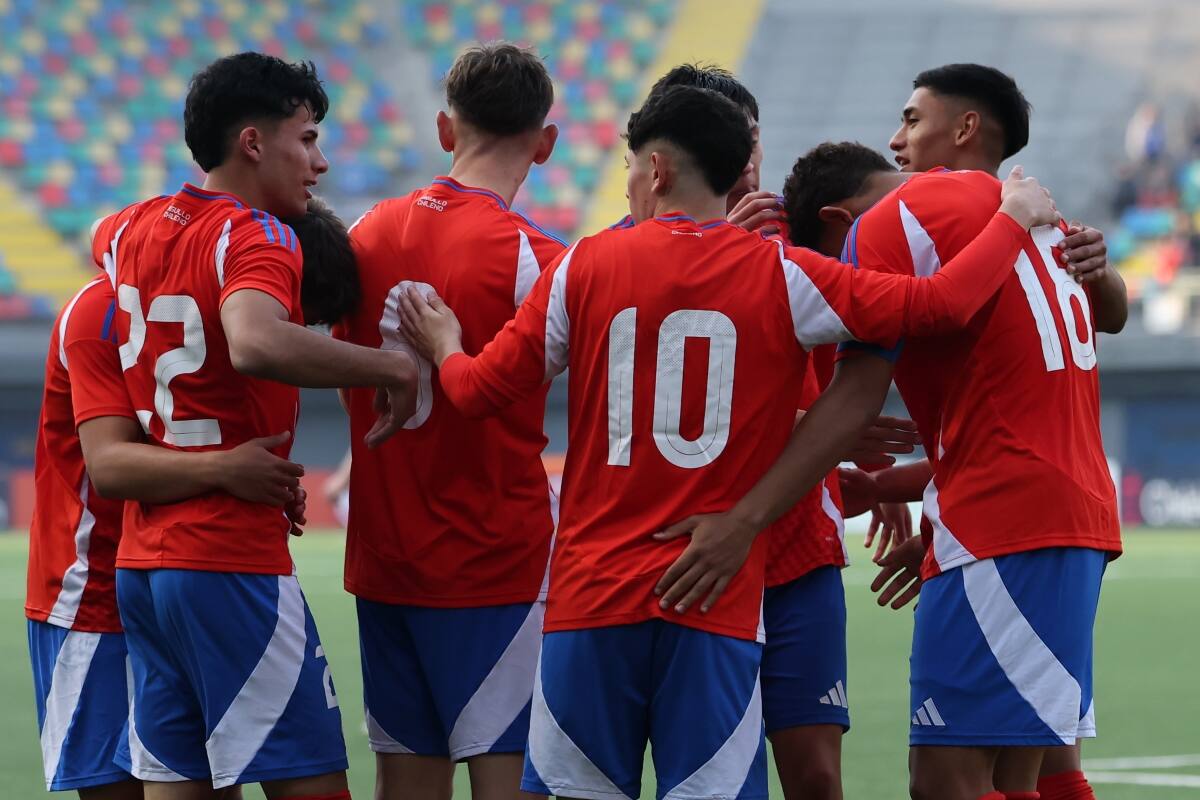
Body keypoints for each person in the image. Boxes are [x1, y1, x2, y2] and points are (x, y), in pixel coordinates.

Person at [399, 84, 1058, 799]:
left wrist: (444, 344)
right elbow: (943, 304)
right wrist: (1013, 219)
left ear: (654, 170)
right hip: (714, 599)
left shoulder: (582, 266)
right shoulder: (783, 272)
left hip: (592, 602)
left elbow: (473, 393)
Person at [82, 52, 419, 799]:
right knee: (313, 786)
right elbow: (257, 341)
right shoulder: (258, 235)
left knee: (181, 784)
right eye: (307, 139)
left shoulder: (125, 232)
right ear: (253, 142)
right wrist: (392, 367)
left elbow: (103, 244)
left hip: (145, 566)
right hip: (229, 559)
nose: (321, 163)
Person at [774, 134, 1124, 800]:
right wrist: (899, 496)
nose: (899, 137)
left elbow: (856, 398)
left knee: (947, 778)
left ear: (837, 225)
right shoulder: (1013, 204)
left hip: (1006, 526)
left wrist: (747, 516)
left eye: (912, 117)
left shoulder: (890, 229)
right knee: (1029, 767)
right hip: (1055, 516)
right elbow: (1008, 412)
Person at [333, 42, 563, 800]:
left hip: (387, 556)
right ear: (546, 141)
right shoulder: (541, 261)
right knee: (509, 781)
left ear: (443, 129)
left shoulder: (363, 233)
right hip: (496, 562)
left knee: (405, 783)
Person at [28, 268, 301, 799]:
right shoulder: (99, 312)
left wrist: (259, 485)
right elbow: (110, 466)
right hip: (94, 596)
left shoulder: (199, 302)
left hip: (174, 582)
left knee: (210, 779)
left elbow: (186, 432)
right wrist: (226, 470)